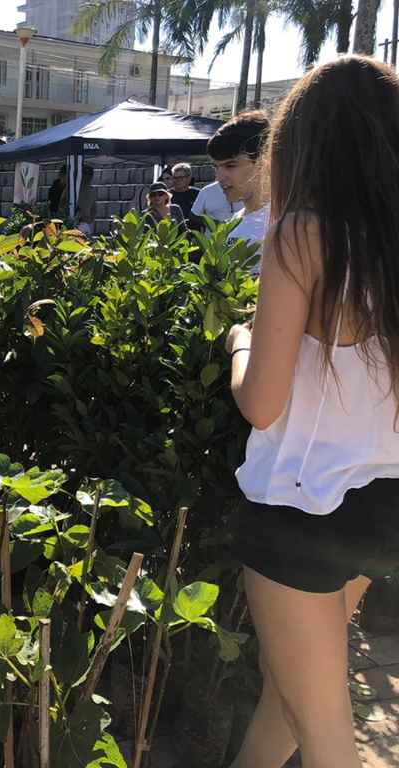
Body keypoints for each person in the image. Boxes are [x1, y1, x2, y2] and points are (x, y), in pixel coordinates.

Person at [225, 56, 399, 768]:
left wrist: (238, 342)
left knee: (328, 735)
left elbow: (262, 405)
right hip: (381, 507)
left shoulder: (301, 235)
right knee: (292, 689)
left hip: (300, 511)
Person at [208, 111, 271, 270]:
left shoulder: (282, 225)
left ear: (264, 161)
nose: (219, 178)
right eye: (216, 167)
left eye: (230, 165)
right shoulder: (234, 222)